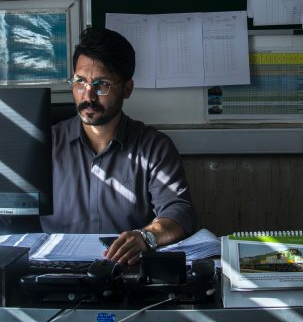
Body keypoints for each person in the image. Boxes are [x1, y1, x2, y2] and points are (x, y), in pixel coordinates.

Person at [40, 27, 196, 265]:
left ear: (127, 89)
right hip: (54, 272)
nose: (88, 96)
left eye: (102, 85)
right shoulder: (45, 145)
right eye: (80, 82)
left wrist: (146, 236)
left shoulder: (154, 148)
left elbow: (179, 213)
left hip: (125, 273)